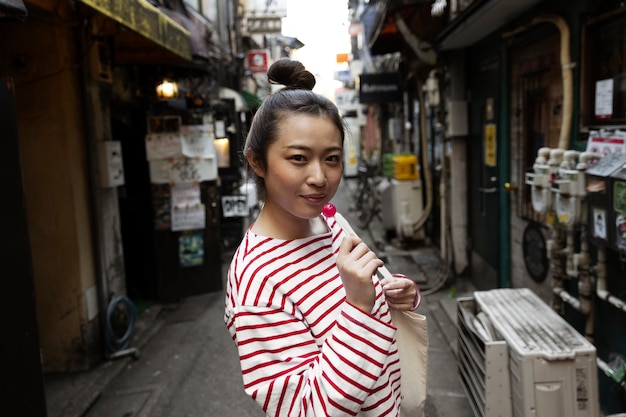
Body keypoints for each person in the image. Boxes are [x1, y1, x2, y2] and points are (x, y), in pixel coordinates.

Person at [224, 59, 421, 416]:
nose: (320, 177)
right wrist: (359, 307)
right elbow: (306, 410)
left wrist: (397, 292)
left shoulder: (329, 220)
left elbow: (362, 289)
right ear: (257, 161)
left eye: (331, 158)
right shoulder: (255, 280)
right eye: (299, 158)